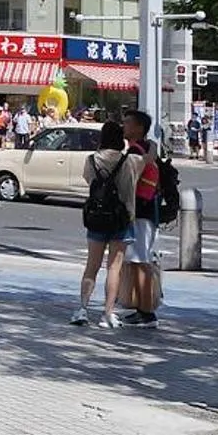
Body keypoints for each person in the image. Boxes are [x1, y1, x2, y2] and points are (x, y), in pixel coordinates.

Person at [72, 120, 132, 325]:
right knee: (114, 267)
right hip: (119, 218)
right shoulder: (126, 161)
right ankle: (107, 312)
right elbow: (129, 189)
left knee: (92, 266)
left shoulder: (91, 160)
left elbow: (89, 180)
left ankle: (82, 308)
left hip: (96, 216)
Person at [113, 108, 164, 325]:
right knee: (138, 261)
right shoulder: (145, 148)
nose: (123, 126)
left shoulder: (136, 152)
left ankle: (146, 311)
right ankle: (142, 308)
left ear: (139, 128)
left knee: (141, 261)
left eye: (127, 123)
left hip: (140, 213)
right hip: (146, 212)